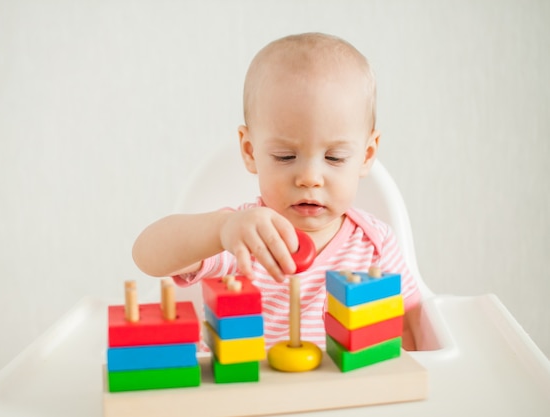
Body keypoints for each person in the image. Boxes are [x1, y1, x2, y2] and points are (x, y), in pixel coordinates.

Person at [132, 32, 421, 350]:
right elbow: (146, 255)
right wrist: (220, 229)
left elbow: (413, 328)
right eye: (285, 156)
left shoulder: (375, 246)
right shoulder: (243, 236)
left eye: (334, 158)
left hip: (338, 398)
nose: (310, 178)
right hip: (242, 395)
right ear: (249, 150)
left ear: (366, 156)